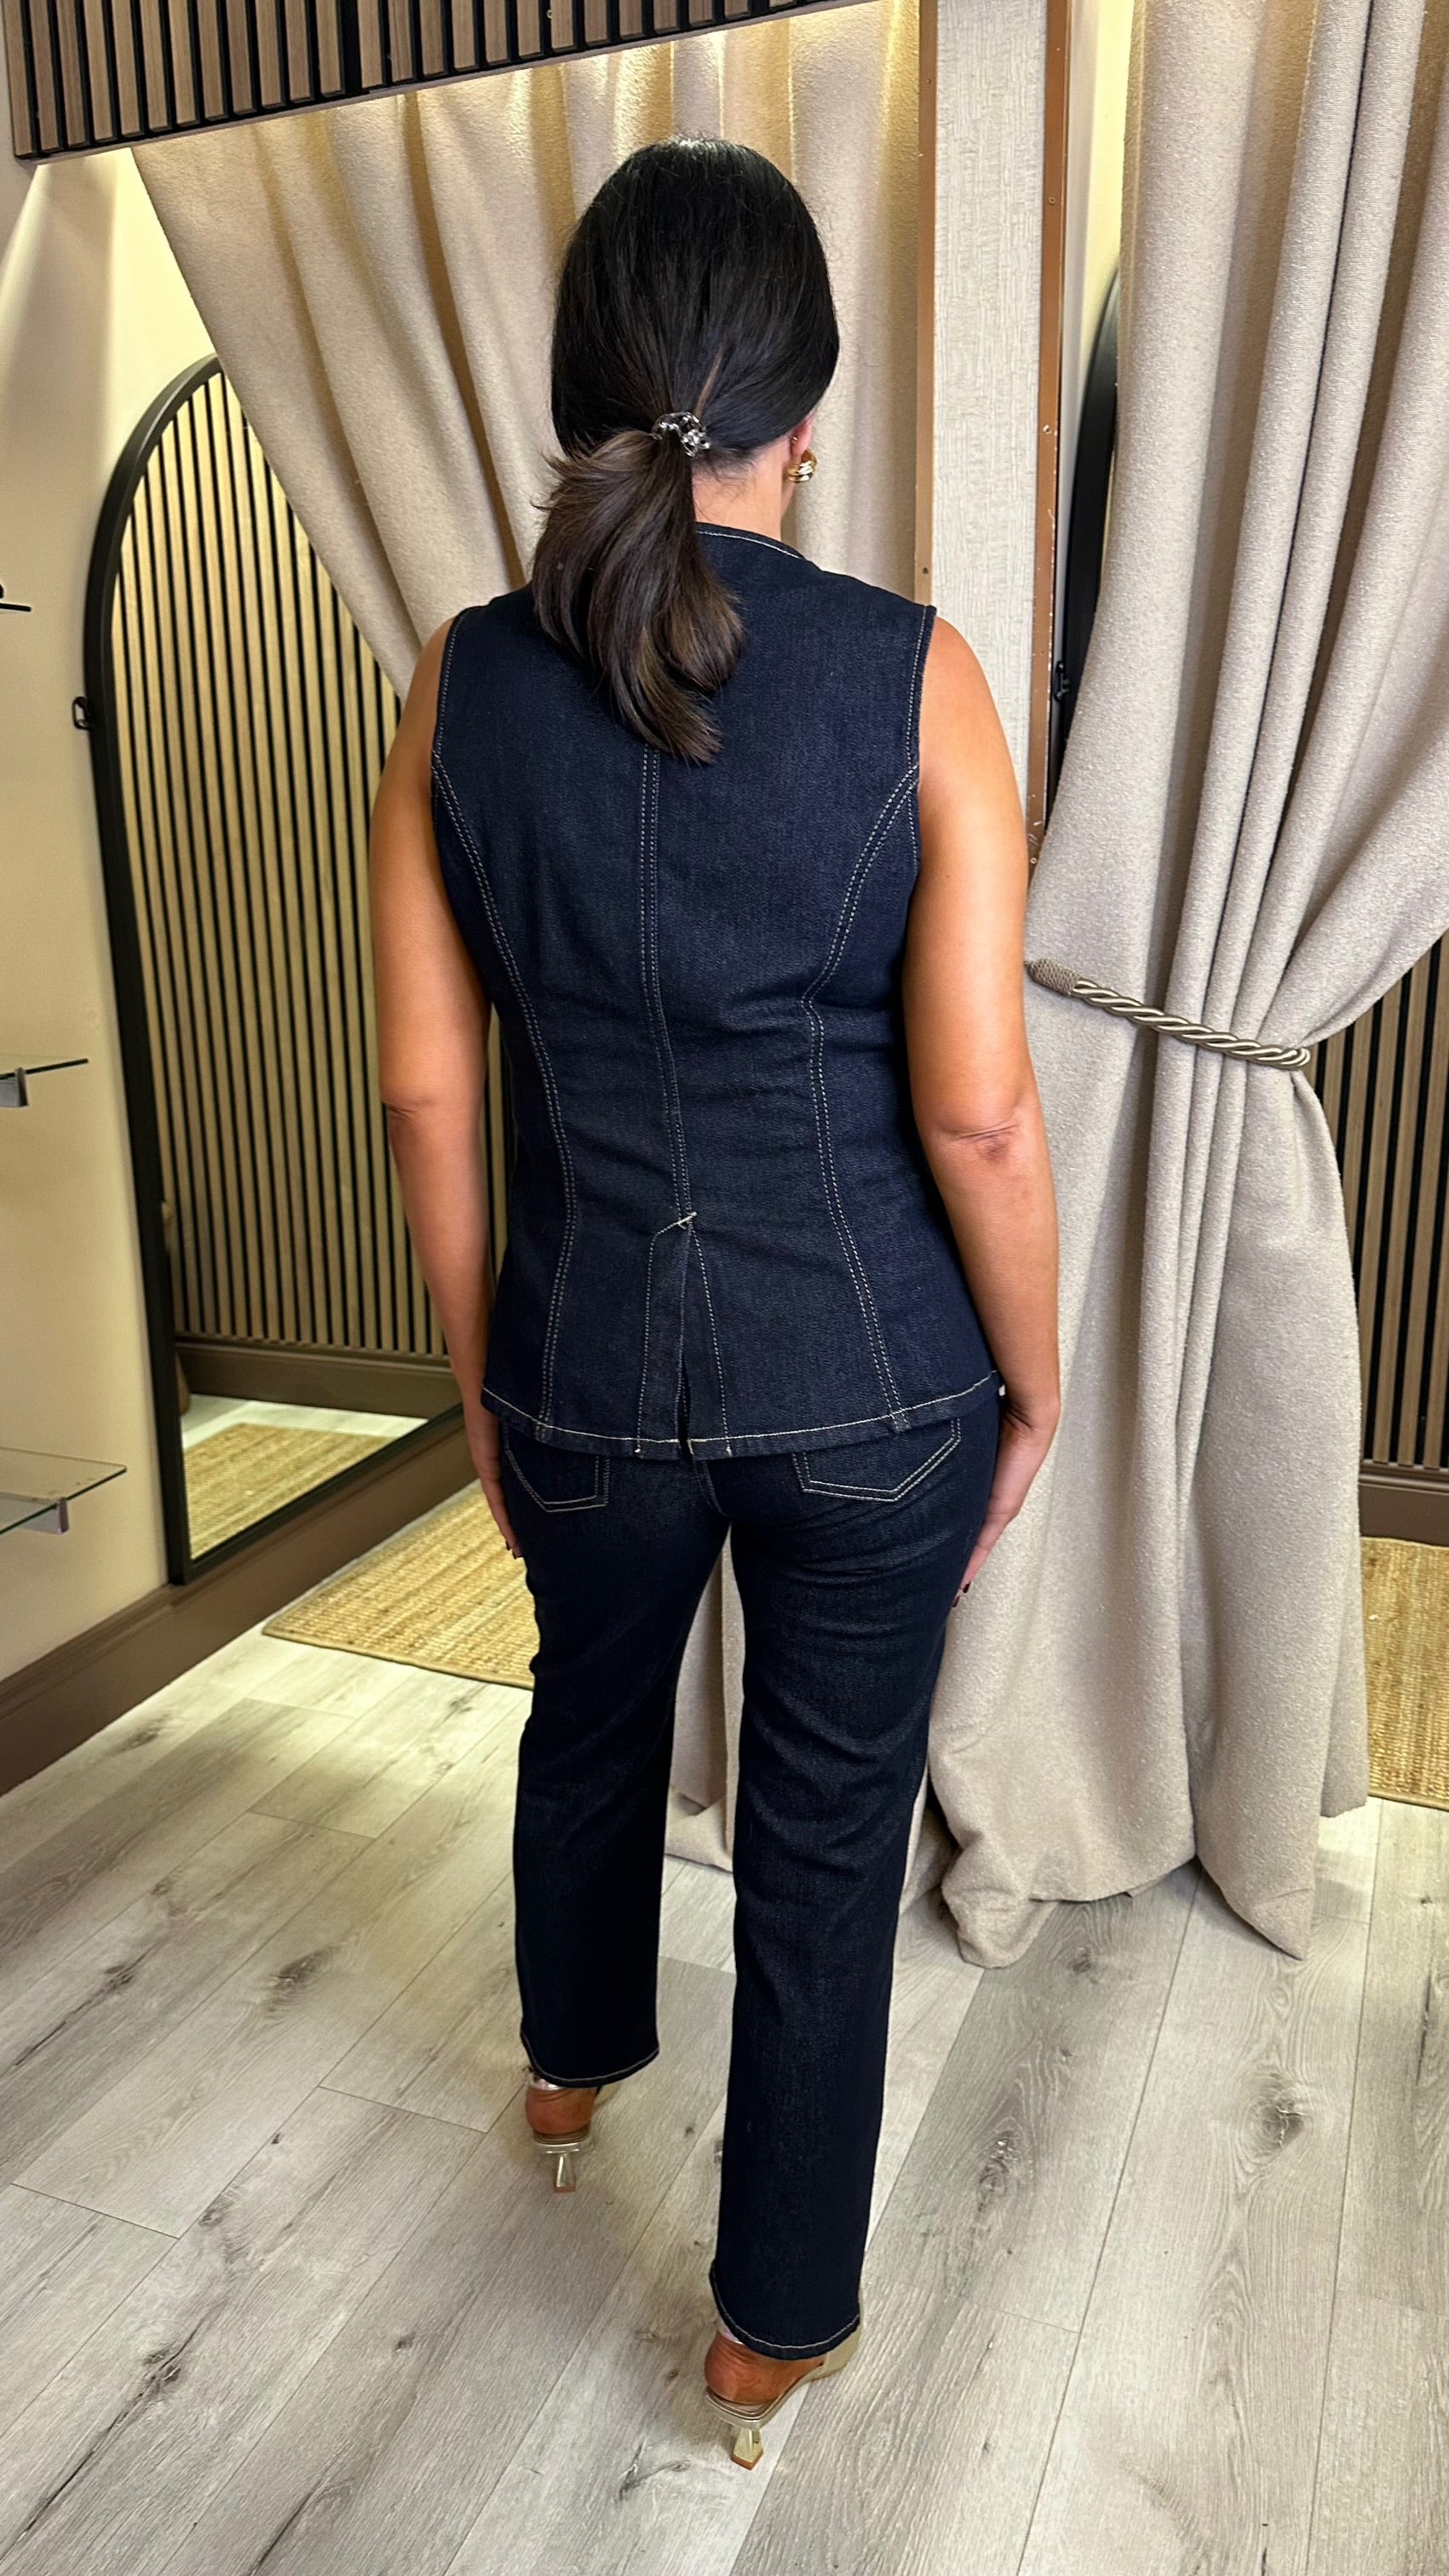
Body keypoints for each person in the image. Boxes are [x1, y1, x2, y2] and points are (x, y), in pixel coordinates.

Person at [368, 135, 1060, 2468]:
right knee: (825, 1836)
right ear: (808, 410)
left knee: (584, 1710)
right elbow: (981, 1119)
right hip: (874, 1380)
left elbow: (426, 1098)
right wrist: (1037, 1385)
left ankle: (571, 2067)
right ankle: (770, 2324)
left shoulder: (459, 684)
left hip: (583, 1356)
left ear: (583, 391)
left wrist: (485, 1374)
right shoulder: (917, 677)